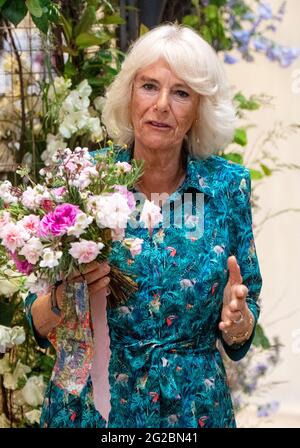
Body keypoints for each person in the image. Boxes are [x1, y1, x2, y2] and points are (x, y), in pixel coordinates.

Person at [25, 23, 262, 428]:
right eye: (149, 86)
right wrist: (68, 296)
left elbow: (244, 313)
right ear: (129, 95)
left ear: (199, 109)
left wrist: (239, 323)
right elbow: (37, 319)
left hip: (191, 409)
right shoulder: (85, 181)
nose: (163, 104)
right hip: (94, 408)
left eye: (182, 92)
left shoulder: (225, 187)